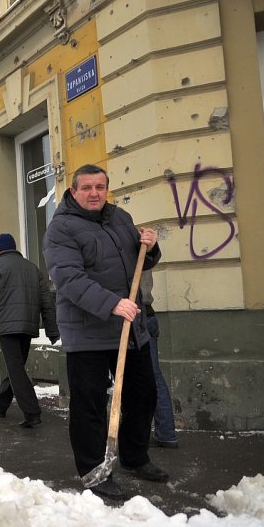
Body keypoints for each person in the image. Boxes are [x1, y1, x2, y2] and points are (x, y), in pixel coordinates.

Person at [42, 164, 168, 501]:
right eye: (86, 188)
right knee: (90, 407)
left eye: (100, 187)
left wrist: (150, 247)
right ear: (73, 191)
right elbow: (68, 278)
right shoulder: (61, 229)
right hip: (87, 332)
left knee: (144, 395)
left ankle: (134, 456)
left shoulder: (120, 218)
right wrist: (112, 303)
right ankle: (93, 471)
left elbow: (139, 261)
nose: (94, 193)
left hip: (130, 327)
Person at [0, 233, 60, 428]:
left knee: (15, 368)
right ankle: (1, 401)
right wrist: (52, 330)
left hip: (6, 327)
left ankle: (32, 412)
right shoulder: (32, 269)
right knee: (16, 366)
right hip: (28, 326)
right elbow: (47, 302)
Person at [140, 270, 179, 448]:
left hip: (135, 316)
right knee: (154, 376)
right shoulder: (143, 245)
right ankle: (166, 432)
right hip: (149, 315)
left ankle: (136, 435)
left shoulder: (124, 246)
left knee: (133, 379)